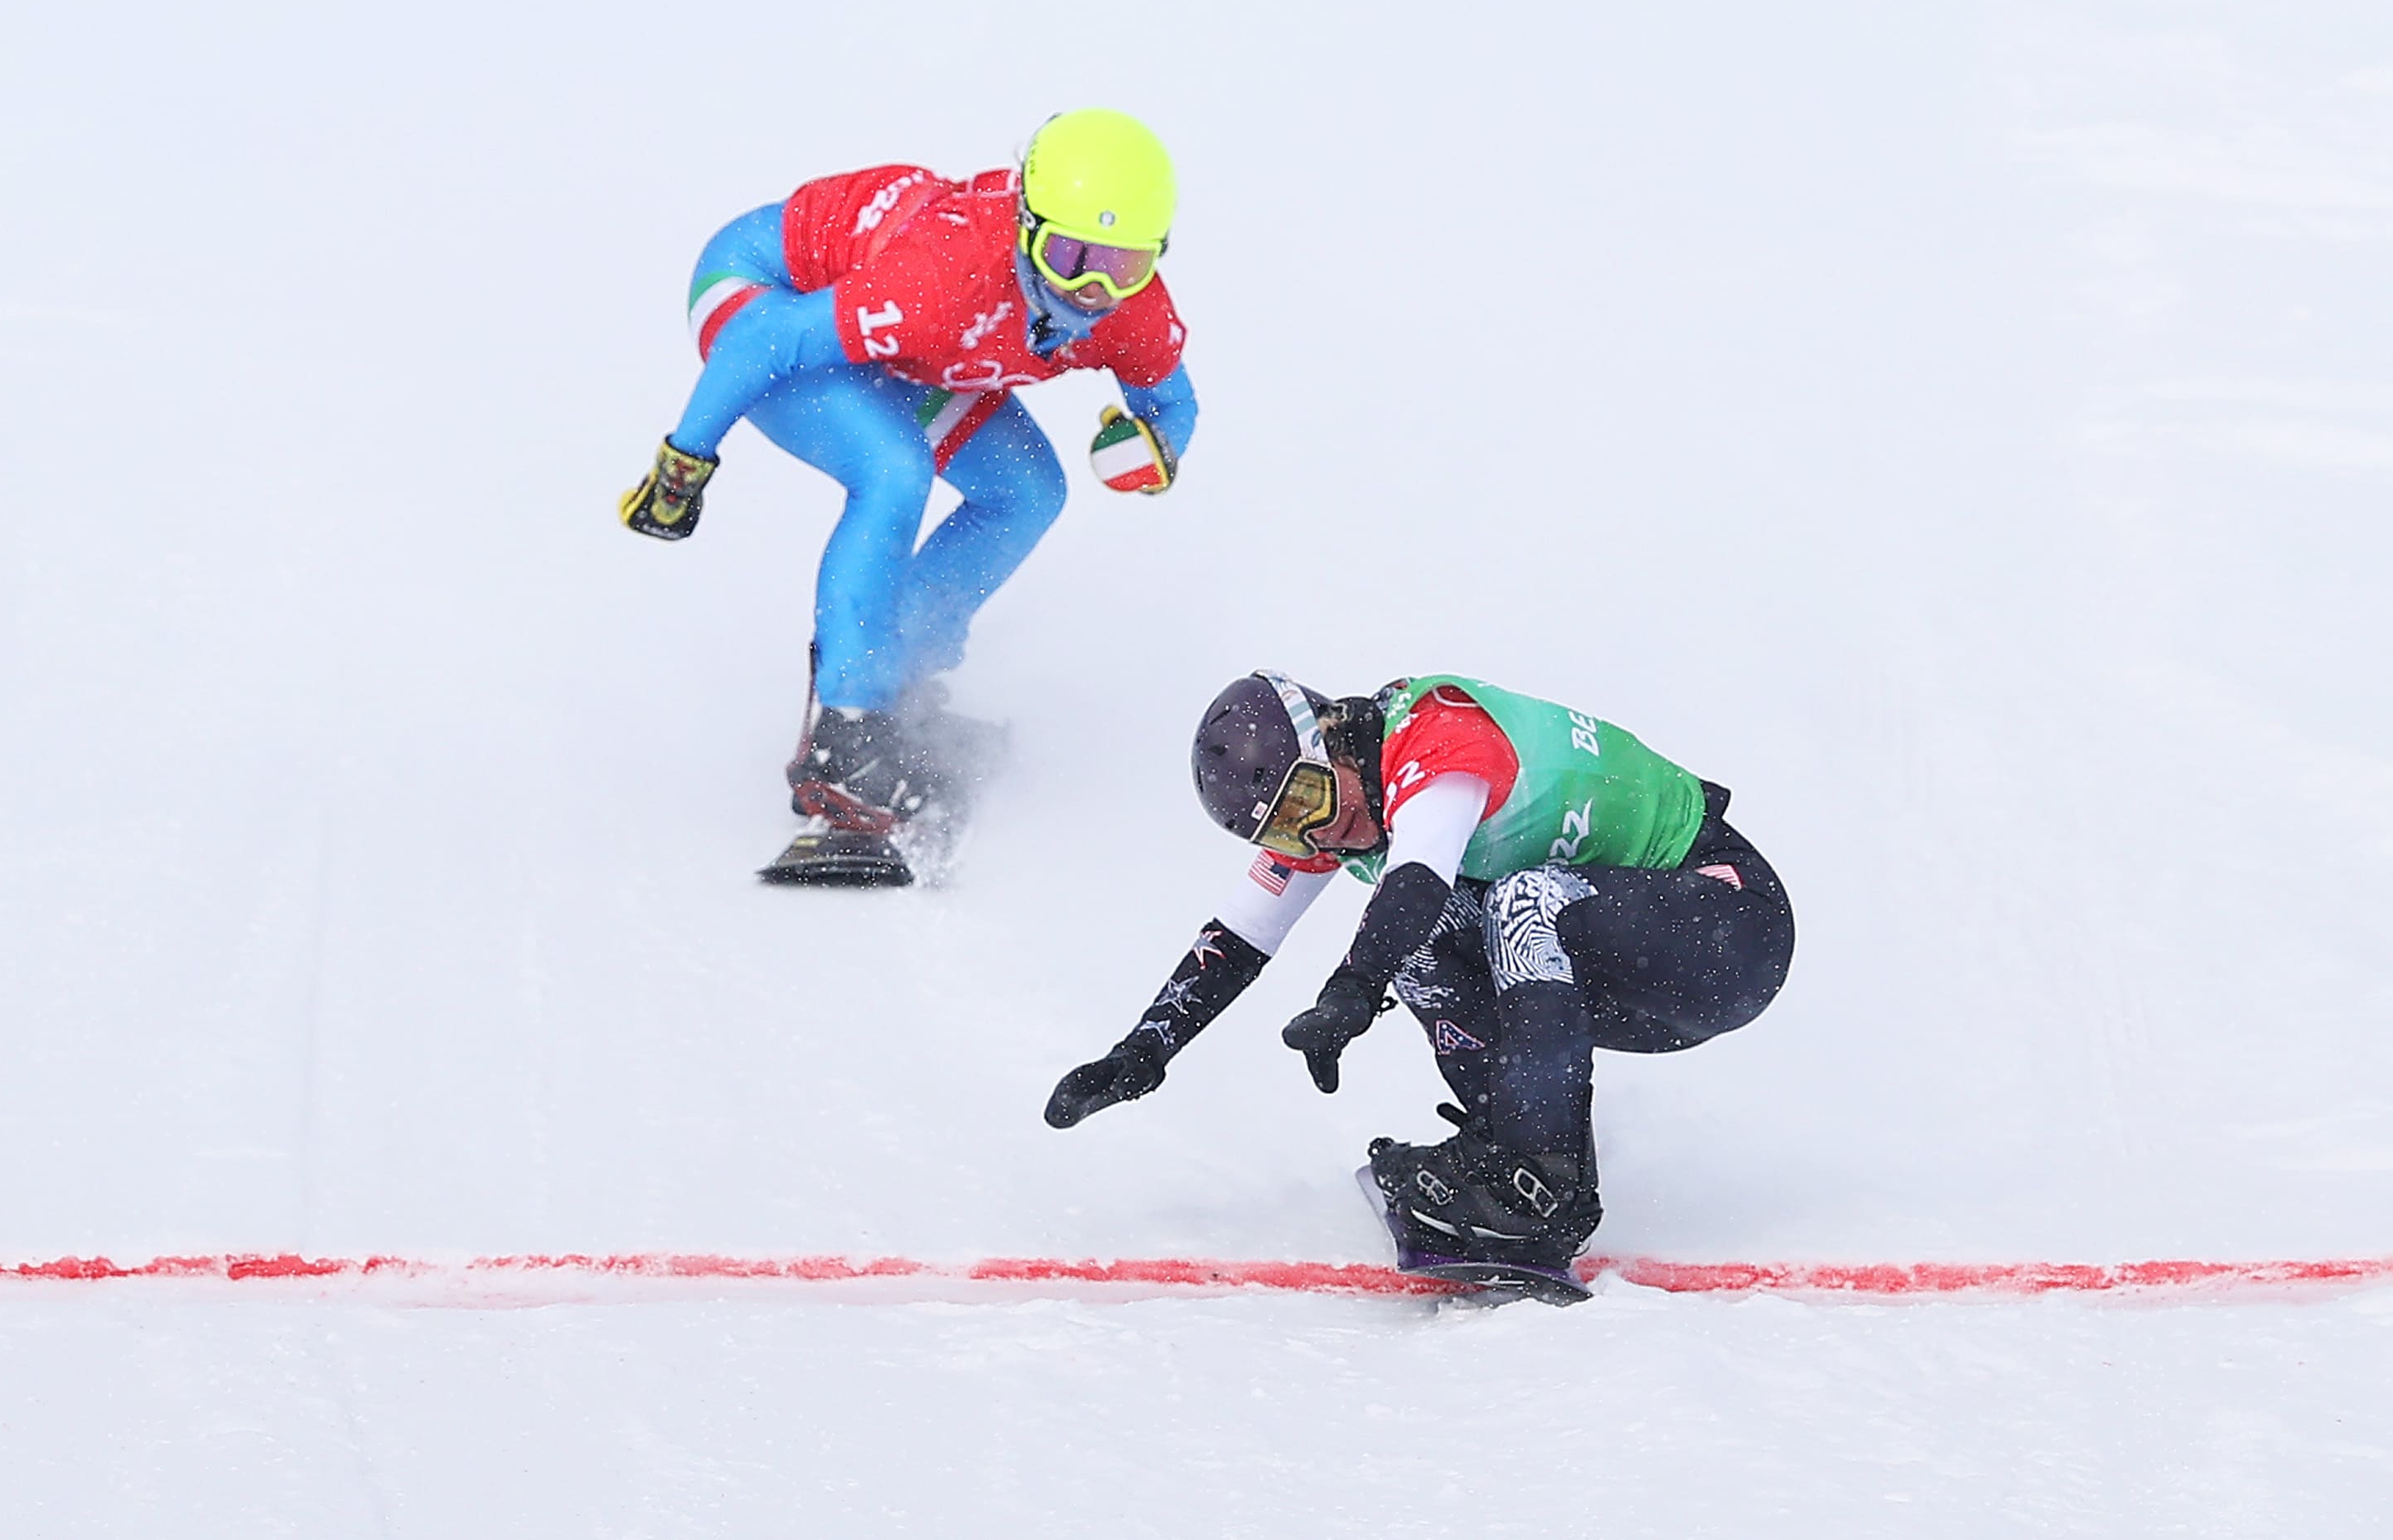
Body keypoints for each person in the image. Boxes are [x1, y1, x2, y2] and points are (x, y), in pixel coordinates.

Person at [1045, 671, 1795, 1282]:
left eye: (1308, 802)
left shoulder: (1436, 738)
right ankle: (1513, 1160)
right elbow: (1240, 934)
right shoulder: (1335, 804)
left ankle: (1536, 1176)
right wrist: (1143, 1051)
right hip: (1628, 969)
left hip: (1728, 932)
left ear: (1335, 736)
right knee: (1435, 933)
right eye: (1282, 828)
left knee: (1511, 900)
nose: (1313, 834)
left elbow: (1415, 880)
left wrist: (1351, 991)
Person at [620, 109, 1197, 834]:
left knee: (1027, 492)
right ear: (1025, 224)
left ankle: (900, 689)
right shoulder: (942, 275)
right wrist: (684, 464)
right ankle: (845, 731)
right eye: (1070, 256)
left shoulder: (1127, 310)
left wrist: (1156, 450)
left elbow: (1171, 401)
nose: (1092, 291)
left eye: (1125, 264)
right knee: (895, 472)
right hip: (761, 299)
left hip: (903, 341)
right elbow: (767, 339)